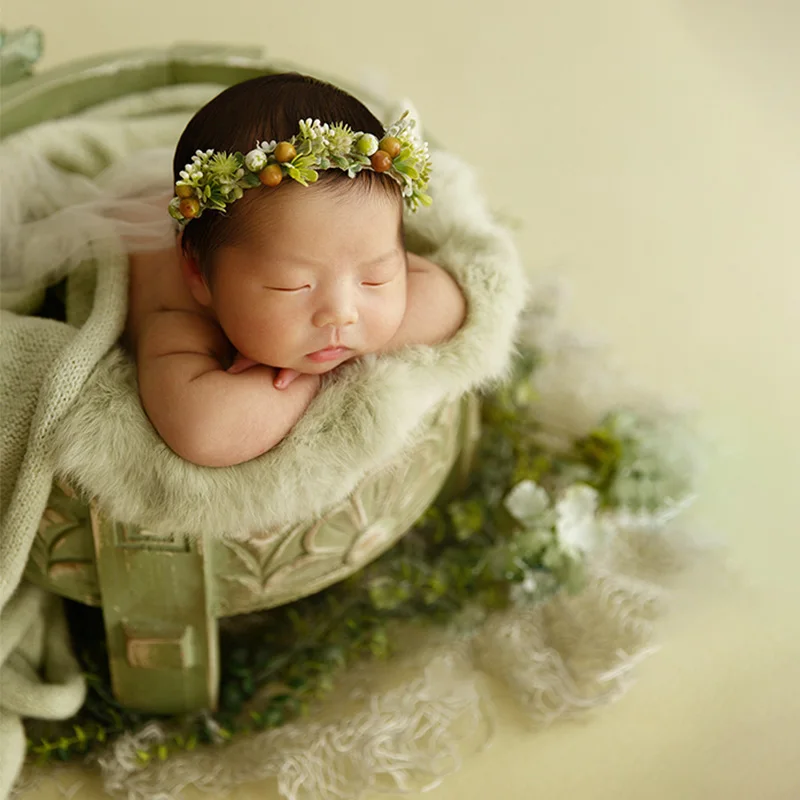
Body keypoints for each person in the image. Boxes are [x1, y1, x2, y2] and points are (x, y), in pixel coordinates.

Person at [122, 73, 466, 468]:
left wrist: (309, 366)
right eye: (293, 286)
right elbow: (206, 433)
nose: (341, 313)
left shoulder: (352, 237)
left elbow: (447, 302)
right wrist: (306, 378)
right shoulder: (178, 315)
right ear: (198, 273)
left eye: (375, 278)